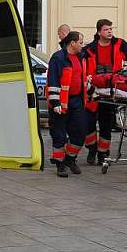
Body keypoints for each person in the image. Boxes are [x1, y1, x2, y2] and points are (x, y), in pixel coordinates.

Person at [82, 19, 127, 165]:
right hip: (93, 90)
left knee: (106, 124)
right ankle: (92, 148)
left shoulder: (120, 44)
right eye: (106, 29)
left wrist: (124, 74)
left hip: (112, 90)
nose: (110, 31)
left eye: (111, 29)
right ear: (99, 32)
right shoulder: (89, 49)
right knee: (89, 123)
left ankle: (102, 153)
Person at [46, 31, 87, 177]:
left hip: (77, 100)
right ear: (72, 43)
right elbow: (53, 80)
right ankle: (60, 164)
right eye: (81, 42)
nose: (83, 45)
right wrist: (55, 101)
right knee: (59, 134)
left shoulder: (81, 57)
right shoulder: (58, 58)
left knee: (81, 132)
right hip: (61, 102)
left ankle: (70, 158)